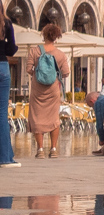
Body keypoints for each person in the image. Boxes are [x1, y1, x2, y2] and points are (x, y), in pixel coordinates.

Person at [26, 21, 71, 158]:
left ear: (43, 35)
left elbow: (28, 69)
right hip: (53, 91)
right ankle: (53, 149)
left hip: (37, 90)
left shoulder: (34, 51)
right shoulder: (60, 54)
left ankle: (40, 150)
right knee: (53, 118)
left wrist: (37, 73)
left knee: (37, 117)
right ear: (56, 37)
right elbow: (66, 73)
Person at [0, 19, 15, 167]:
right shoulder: (6, 23)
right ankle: (6, 157)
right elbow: (11, 50)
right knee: (2, 114)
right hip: (3, 67)